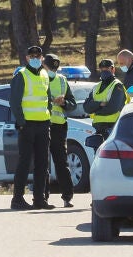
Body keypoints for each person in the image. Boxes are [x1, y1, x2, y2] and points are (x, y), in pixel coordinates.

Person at [9, 45, 55, 210]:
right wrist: (21, 122)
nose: (35, 58)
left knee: (42, 164)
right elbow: (14, 102)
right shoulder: (21, 75)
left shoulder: (44, 74)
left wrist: (48, 115)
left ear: (42, 57)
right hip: (27, 126)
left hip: (43, 125)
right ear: (27, 58)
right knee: (24, 162)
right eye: (32, 55)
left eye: (38, 55)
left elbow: (47, 98)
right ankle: (17, 199)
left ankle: (39, 199)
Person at [42, 53, 76, 208]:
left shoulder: (62, 80)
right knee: (43, 163)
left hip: (59, 126)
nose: (52, 71)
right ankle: (43, 197)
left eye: (54, 69)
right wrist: (51, 101)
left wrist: (64, 103)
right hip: (42, 124)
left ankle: (67, 197)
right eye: (50, 68)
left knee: (61, 162)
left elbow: (72, 103)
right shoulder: (39, 79)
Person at [83, 59, 129, 140]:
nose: (104, 71)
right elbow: (86, 107)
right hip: (98, 129)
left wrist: (95, 110)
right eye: (102, 69)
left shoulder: (117, 85)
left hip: (113, 128)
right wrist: (100, 104)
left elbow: (112, 108)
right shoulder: (96, 87)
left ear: (113, 69)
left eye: (107, 69)